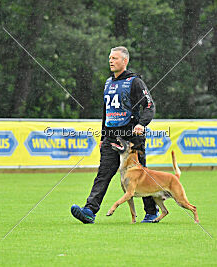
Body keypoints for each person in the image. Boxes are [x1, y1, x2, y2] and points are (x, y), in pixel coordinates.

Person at [71, 46, 159, 223]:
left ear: (124, 61)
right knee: (103, 173)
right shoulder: (108, 83)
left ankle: (151, 211)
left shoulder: (135, 82)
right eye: (110, 57)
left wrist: (142, 124)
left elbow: (149, 106)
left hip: (132, 138)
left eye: (115, 58)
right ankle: (89, 211)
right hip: (111, 138)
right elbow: (107, 112)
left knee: (140, 176)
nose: (111, 61)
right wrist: (103, 136)